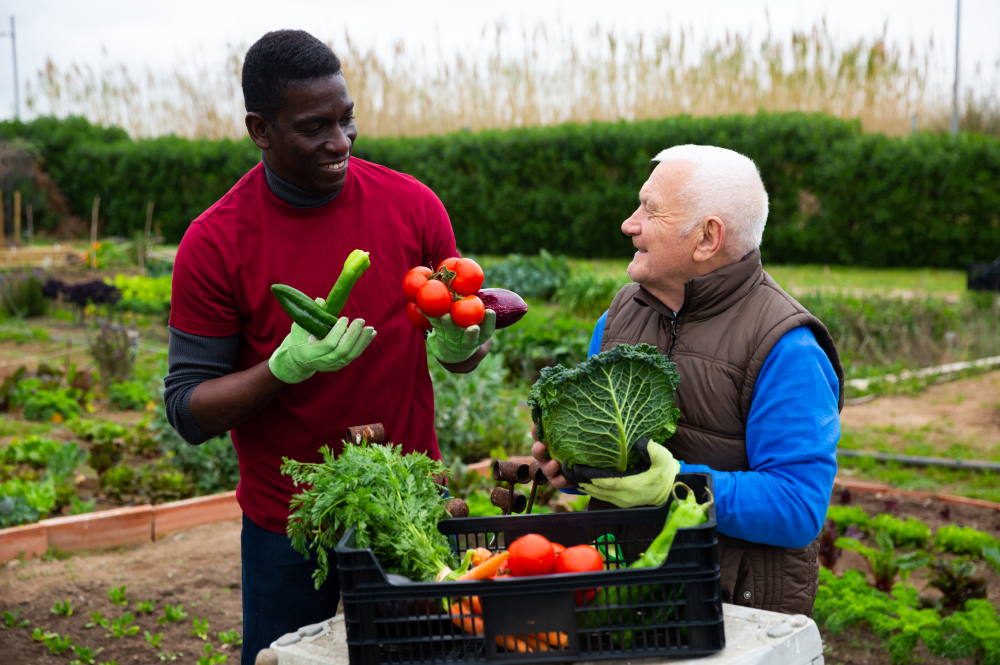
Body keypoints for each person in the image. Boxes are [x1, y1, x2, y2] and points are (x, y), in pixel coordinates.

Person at [163, 30, 494, 664]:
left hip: (409, 496)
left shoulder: (412, 205)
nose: (340, 142)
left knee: (435, 657)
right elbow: (189, 409)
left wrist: (461, 347)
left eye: (346, 119)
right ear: (260, 129)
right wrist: (282, 368)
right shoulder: (216, 241)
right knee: (283, 660)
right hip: (288, 519)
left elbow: (458, 332)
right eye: (315, 126)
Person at [531, 145, 844, 616]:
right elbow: (613, 467)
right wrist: (572, 469)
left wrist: (678, 485)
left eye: (649, 210)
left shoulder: (786, 346)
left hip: (730, 609)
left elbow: (798, 507)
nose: (629, 223)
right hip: (617, 588)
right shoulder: (617, 318)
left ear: (706, 238)